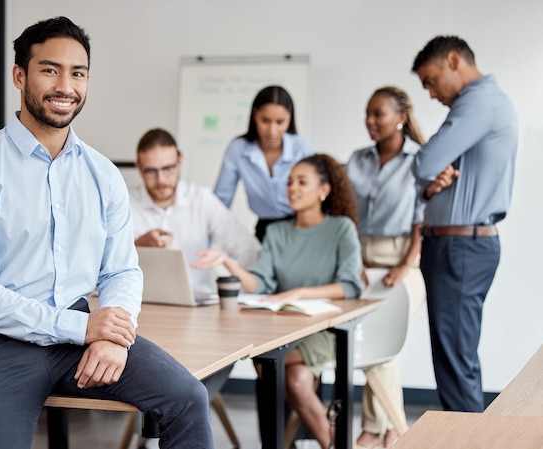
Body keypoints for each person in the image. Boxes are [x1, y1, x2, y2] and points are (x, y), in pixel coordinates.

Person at [0, 17, 213, 449]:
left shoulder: (103, 174)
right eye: (50, 69)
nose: (65, 85)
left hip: (82, 334)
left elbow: (122, 269)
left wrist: (116, 338)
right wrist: (83, 329)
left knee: (188, 400)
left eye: (78, 73)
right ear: (19, 75)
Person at [199, 154, 364, 449]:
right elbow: (260, 283)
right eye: (289, 182)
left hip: (323, 329)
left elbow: (350, 285)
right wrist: (226, 260)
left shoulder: (341, 229)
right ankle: (337, 444)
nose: (293, 188)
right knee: (297, 380)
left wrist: (299, 293)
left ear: (324, 190)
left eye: (302, 182)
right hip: (282, 330)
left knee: (266, 363)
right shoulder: (277, 232)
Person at [411, 35, 518, 412]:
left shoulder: (477, 101)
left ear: (453, 61)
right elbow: (433, 177)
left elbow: (423, 163)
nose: (429, 93)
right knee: (456, 359)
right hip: (458, 246)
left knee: (456, 364)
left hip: (460, 248)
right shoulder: (482, 104)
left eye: (430, 80)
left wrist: (427, 171)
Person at [346, 86, 427, 449]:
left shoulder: (419, 161)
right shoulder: (357, 160)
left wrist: (404, 265)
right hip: (362, 261)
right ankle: (390, 428)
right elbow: (346, 212)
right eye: (367, 113)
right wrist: (351, 261)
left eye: (378, 114)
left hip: (403, 264)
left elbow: (421, 223)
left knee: (382, 345)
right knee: (376, 346)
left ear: (401, 118)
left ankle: (378, 429)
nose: (370, 121)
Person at [130, 128, 261, 296]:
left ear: (180, 161)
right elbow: (101, 263)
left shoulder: (201, 199)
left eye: (168, 168)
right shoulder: (124, 203)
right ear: (139, 168)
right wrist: (137, 245)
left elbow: (249, 250)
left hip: (199, 303)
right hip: (142, 306)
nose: (161, 180)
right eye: (151, 171)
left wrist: (228, 265)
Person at [213, 85, 315, 241]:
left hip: (303, 227)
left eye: (280, 122)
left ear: (290, 119)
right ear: (254, 115)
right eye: (265, 121)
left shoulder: (302, 150)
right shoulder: (238, 149)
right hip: (265, 230)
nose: (272, 130)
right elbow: (221, 201)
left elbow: (317, 195)